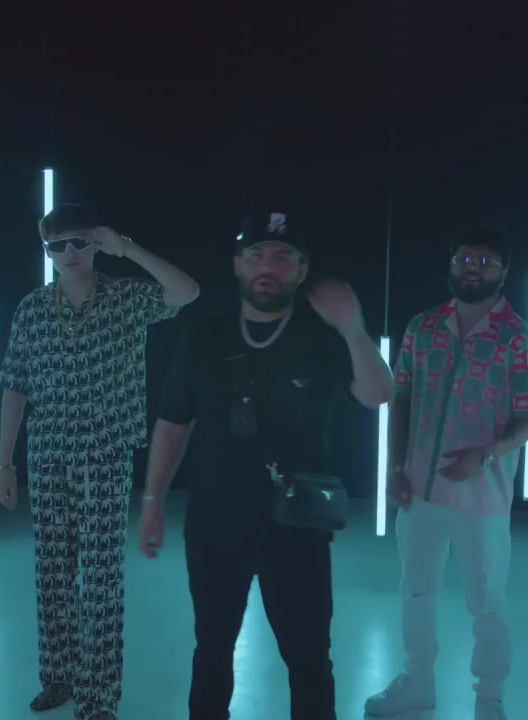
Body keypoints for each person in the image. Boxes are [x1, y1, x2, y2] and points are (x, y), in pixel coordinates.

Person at [137, 209, 395, 720]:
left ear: (301, 270)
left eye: (282, 257)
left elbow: (378, 393)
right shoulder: (206, 335)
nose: (267, 267)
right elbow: (172, 423)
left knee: (309, 660)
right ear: (238, 263)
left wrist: (353, 328)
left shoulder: (322, 335)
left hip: (298, 525)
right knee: (212, 650)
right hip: (215, 523)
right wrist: (151, 503)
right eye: (256, 254)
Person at [0, 203, 200, 720]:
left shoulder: (125, 298)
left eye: (79, 241)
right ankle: (59, 677)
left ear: (94, 243)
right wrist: (4, 463)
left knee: (102, 579)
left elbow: (187, 292)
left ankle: (99, 696)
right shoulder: (32, 309)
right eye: (57, 245)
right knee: (52, 573)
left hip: (105, 453)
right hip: (48, 452)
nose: (69, 253)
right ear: (46, 252)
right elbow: (15, 386)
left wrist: (125, 247)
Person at [363, 227, 528, 720]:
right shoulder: (422, 328)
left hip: (482, 496)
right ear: (451, 264)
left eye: (485, 262)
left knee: (487, 602)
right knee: (415, 590)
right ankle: (417, 682)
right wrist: (395, 466)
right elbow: (400, 399)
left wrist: (486, 454)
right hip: (419, 490)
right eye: (465, 259)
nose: (472, 268)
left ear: (504, 271)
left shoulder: (520, 341)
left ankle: (490, 701)